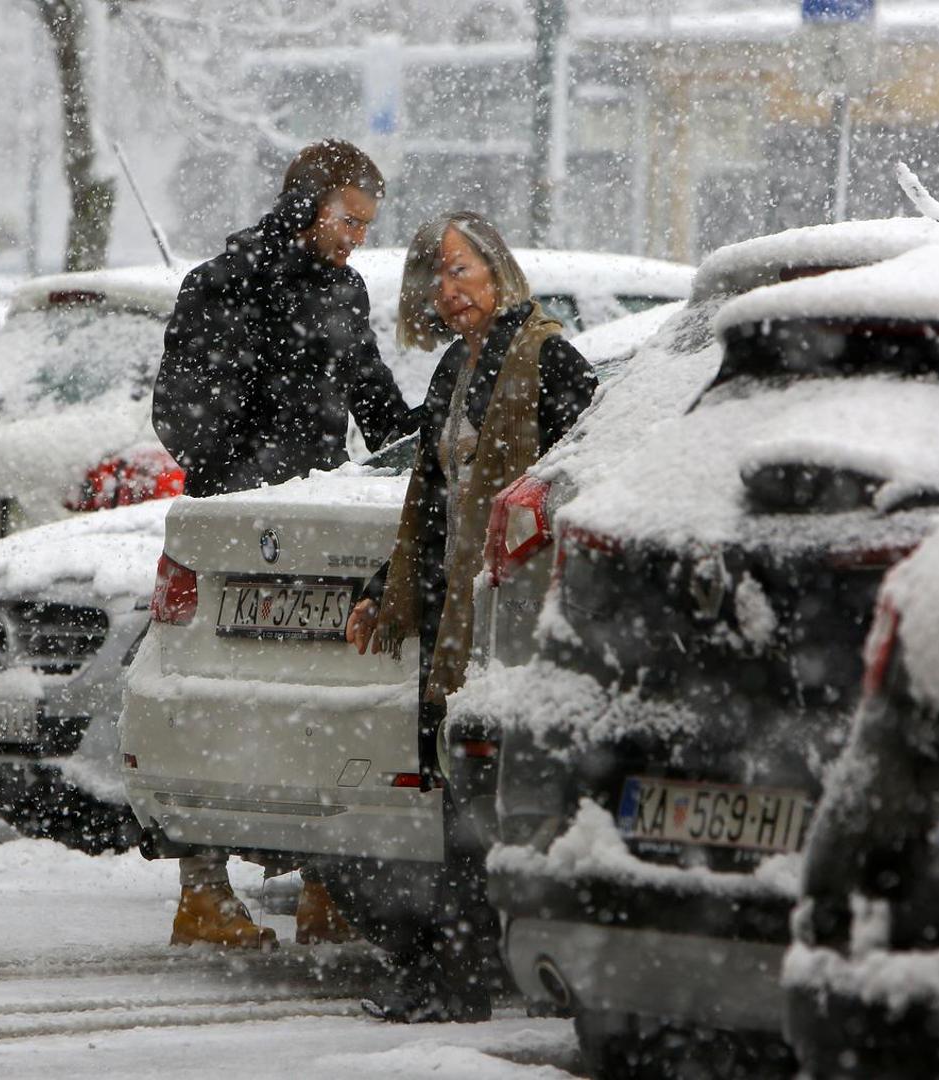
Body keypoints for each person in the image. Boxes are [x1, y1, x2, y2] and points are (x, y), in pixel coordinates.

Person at [152, 139, 418, 950]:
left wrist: (422, 453)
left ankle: (325, 889)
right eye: (347, 219)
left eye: (367, 225)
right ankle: (201, 892)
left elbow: (373, 396)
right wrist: (241, 474)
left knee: (316, 709)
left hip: (321, 525)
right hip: (233, 525)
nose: (356, 238)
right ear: (307, 203)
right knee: (213, 704)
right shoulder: (222, 284)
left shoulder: (342, 291)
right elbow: (177, 410)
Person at [344, 211, 598, 1022]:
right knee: (452, 790)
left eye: (462, 270)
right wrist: (384, 592)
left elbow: (585, 482)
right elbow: (431, 498)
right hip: (457, 611)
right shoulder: (458, 365)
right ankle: (454, 966)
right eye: (436, 277)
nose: (449, 291)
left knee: (487, 791)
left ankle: (464, 973)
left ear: (499, 269)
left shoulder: (549, 358)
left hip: (512, 614)